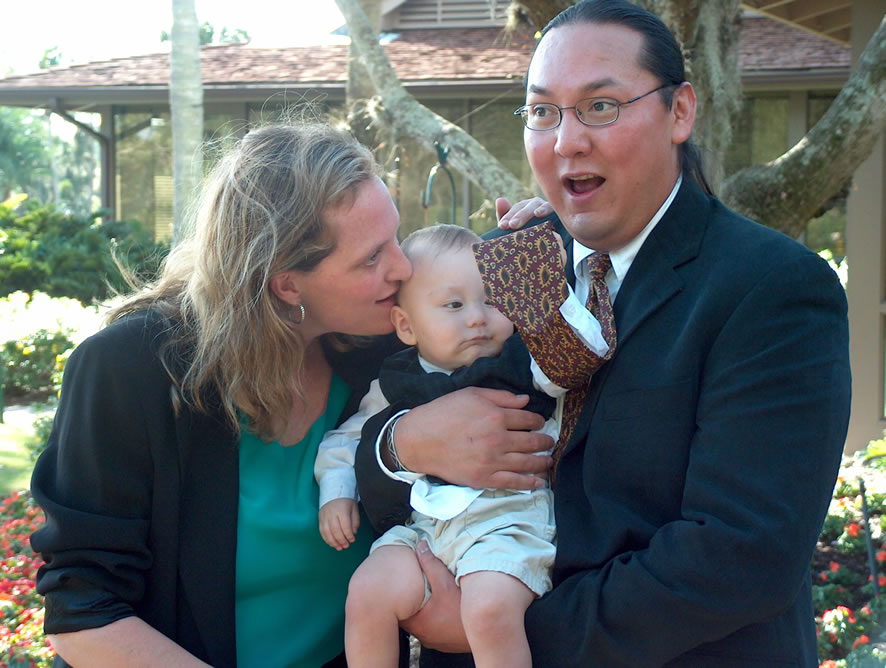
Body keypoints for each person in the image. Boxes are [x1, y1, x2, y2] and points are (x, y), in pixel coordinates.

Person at [353, 1, 852, 666]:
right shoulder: (509, 261)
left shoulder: (773, 289)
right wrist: (404, 440)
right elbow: (389, 432)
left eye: (600, 107)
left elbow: (738, 557)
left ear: (680, 111)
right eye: (542, 112)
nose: (566, 141)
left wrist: (505, 632)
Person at [28, 122, 421, 668]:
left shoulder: (381, 353)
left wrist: (526, 244)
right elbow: (83, 608)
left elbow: (499, 349)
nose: (403, 268)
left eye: (397, 239)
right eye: (371, 259)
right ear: (287, 285)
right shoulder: (128, 370)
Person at [314, 223, 608, 668]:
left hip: (508, 524)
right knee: (368, 591)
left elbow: (573, 359)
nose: (476, 317)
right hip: (424, 529)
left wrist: (544, 282)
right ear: (407, 326)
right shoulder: (397, 382)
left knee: (489, 610)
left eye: (490, 300)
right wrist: (336, 493)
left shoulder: (521, 362)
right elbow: (348, 438)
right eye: (453, 305)